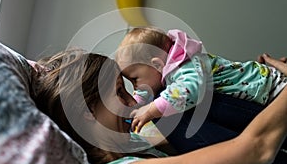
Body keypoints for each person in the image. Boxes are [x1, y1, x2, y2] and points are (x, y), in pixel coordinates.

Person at [0, 39, 286, 164]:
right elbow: (257, 149)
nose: (133, 104)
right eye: (120, 92)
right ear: (87, 113)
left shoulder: (135, 142)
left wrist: (265, 79)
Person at [115, 27, 287, 133]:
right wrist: (137, 105)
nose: (135, 86)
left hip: (270, 86)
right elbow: (146, 89)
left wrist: (151, 109)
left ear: (157, 64)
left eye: (134, 79)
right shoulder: (164, 71)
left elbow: (190, 88)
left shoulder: (187, 65)